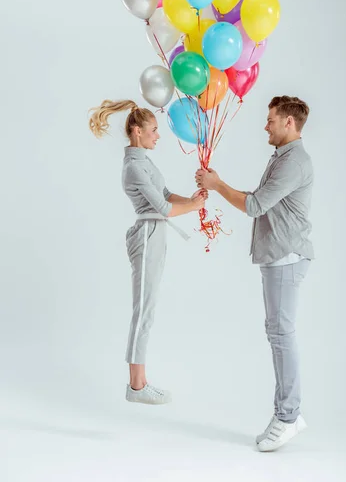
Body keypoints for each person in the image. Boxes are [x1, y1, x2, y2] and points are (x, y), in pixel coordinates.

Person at [195, 96, 314, 452]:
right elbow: (260, 198)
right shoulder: (284, 158)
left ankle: (289, 416)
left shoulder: (294, 162)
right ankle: (290, 413)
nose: (266, 125)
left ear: (289, 123)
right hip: (279, 256)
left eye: (271, 120)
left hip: (286, 257)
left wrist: (217, 185)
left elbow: (255, 205)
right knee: (277, 332)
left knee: (281, 334)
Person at [89, 99, 207, 405]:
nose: (158, 135)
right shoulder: (133, 166)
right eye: (154, 130)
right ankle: (136, 385)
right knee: (143, 310)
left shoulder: (145, 161)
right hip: (147, 234)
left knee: (148, 308)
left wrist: (193, 200)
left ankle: (140, 382)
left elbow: (166, 195)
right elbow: (165, 208)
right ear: (137, 132)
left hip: (156, 234)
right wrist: (192, 207)